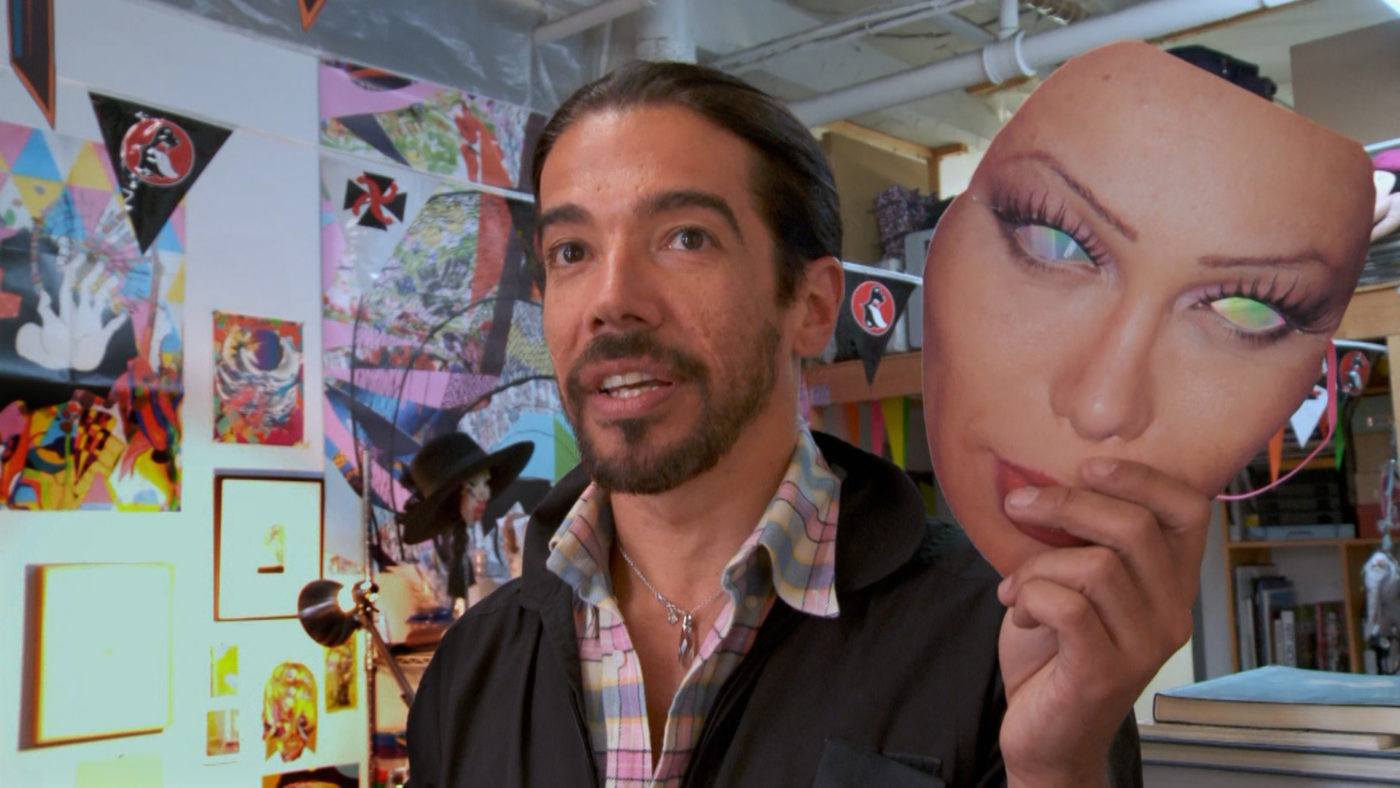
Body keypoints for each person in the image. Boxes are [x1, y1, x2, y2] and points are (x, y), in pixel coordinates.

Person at [402, 52, 1196, 786]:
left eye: (685, 238)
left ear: (812, 307)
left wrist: (1059, 770)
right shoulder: (469, 673)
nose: (611, 301)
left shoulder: (1000, 645)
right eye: (572, 251)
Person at [921, 42, 1373, 774]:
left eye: (1246, 309)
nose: (1103, 405)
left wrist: (1058, 766)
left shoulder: (1077, 689)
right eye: (1056, 238)